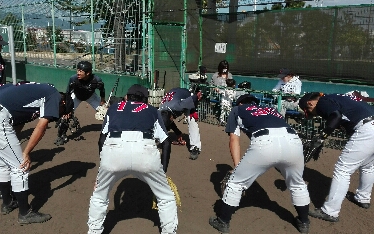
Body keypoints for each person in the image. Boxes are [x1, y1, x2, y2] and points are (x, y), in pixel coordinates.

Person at [0, 82, 72, 224]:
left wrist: (11, 149)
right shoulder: (54, 94)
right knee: (21, 166)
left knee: (2, 163)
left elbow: (17, 124)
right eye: (61, 110)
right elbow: (42, 126)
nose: (57, 113)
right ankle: (25, 213)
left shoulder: (38, 93)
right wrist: (26, 152)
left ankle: (7, 203)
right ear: (63, 101)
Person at [209, 94, 311, 234]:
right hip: (293, 140)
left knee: (236, 183)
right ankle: (304, 222)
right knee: (297, 184)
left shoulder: (237, 110)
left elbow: (234, 139)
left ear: (240, 103)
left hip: (265, 141)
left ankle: (222, 221)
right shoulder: (270, 109)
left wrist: (237, 166)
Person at [87, 84, 177, 234]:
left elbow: (101, 139)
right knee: (166, 197)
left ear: (127, 97)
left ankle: (94, 231)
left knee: (99, 195)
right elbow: (166, 142)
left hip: (113, 149)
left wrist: (102, 169)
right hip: (145, 151)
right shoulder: (153, 111)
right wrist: (163, 172)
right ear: (146, 100)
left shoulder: (114, 108)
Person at [298, 92, 374, 222]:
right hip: (370, 123)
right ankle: (363, 198)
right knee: (368, 166)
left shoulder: (323, 101)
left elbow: (336, 116)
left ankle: (330, 212)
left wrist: (322, 137)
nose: (313, 114)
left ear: (310, 103)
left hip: (366, 129)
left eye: (309, 111)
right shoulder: (338, 98)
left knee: (342, 169)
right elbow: (342, 118)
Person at [54, 61, 106, 145]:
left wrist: (102, 101)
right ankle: (61, 136)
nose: (78, 73)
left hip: (91, 97)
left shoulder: (96, 79)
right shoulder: (73, 79)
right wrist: (68, 108)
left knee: (106, 112)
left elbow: (102, 90)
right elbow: (68, 94)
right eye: (77, 70)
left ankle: (111, 132)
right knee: (65, 114)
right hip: (76, 96)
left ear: (88, 73)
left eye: (80, 71)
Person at [159, 87, 202, 160]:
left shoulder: (178, 106)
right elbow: (168, 120)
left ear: (171, 117)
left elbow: (194, 98)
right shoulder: (160, 111)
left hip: (185, 96)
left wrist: (196, 96)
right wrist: (178, 133)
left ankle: (195, 147)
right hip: (175, 93)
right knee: (167, 120)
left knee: (191, 119)